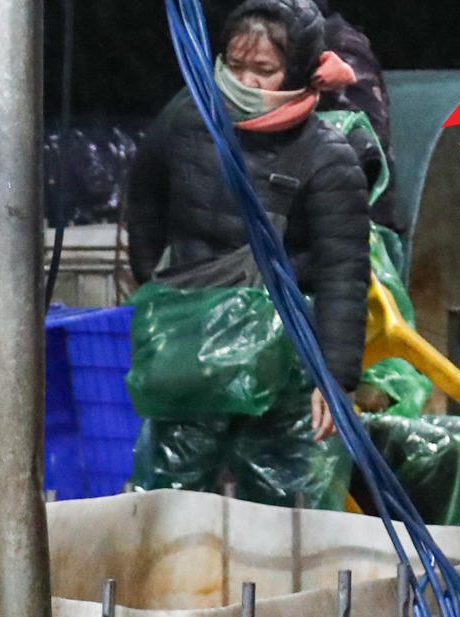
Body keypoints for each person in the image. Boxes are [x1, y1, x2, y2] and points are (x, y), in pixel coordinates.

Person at [122, 0, 373, 507]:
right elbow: (145, 194)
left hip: (283, 364)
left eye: (264, 70)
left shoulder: (326, 157)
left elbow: (343, 274)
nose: (246, 83)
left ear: (298, 71)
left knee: (287, 504)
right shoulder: (188, 115)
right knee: (169, 494)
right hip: (191, 352)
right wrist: (157, 285)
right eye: (236, 68)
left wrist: (335, 376)